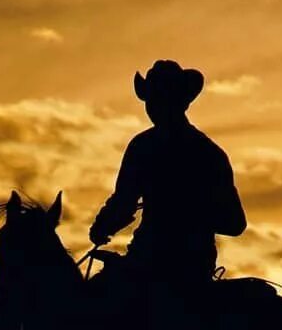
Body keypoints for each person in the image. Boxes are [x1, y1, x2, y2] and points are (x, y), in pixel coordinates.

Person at [89, 60, 247, 285]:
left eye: (158, 99)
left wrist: (102, 228)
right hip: (192, 264)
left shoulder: (143, 146)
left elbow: (124, 202)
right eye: (151, 100)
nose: (153, 107)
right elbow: (234, 223)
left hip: (153, 261)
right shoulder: (209, 153)